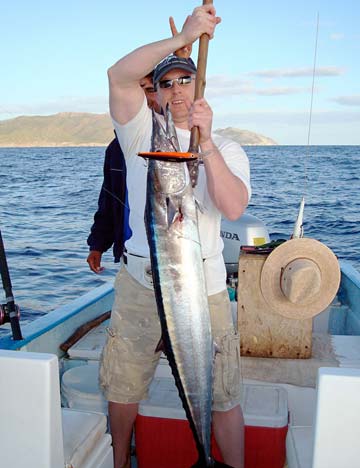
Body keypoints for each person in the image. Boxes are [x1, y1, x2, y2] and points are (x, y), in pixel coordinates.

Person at [100, 4, 251, 468]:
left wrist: (204, 145)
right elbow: (118, 74)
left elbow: (234, 207)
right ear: (157, 93)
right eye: (166, 82)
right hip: (142, 283)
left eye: (185, 79)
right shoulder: (141, 134)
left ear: (199, 86)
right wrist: (181, 37)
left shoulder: (223, 146)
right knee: (123, 385)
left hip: (201, 291)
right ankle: (121, 461)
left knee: (222, 391)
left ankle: (221, 460)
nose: (177, 90)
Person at [86, 73, 158, 273]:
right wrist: (97, 245)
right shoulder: (115, 150)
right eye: (137, 91)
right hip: (130, 257)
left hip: (168, 256)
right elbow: (109, 201)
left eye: (150, 90)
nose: (143, 99)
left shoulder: (178, 143)